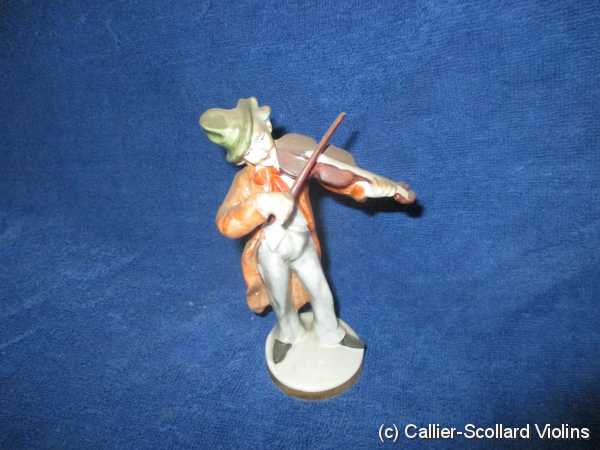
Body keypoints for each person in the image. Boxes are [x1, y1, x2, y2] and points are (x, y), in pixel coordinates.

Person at [200, 97, 415, 363]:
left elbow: (343, 177)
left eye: (260, 139)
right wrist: (259, 204)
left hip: (302, 243)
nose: (259, 150)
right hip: (271, 250)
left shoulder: (294, 155)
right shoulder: (244, 182)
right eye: (249, 151)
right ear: (240, 160)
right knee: (281, 299)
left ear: (268, 128)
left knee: (320, 289)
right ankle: (288, 334)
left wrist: (383, 189)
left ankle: (331, 332)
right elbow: (226, 223)